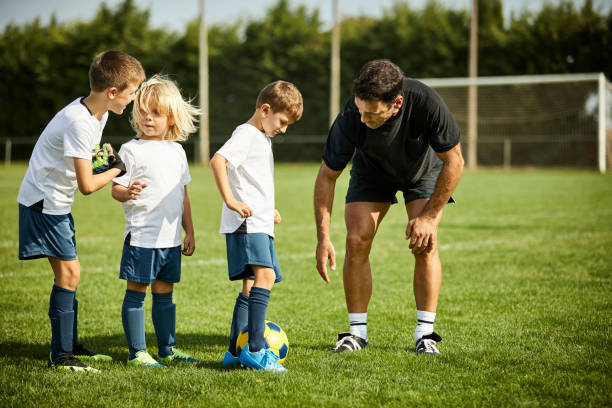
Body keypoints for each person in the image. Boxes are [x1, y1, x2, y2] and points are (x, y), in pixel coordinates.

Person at [314, 59, 464, 355]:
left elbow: (455, 161)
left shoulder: (426, 103)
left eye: (371, 113)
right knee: (356, 239)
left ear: (396, 103)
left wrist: (430, 217)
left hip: (421, 170)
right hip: (372, 171)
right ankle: (356, 334)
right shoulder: (351, 116)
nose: (362, 117)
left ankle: (426, 334)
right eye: (360, 109)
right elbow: (326, 176)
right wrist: (323, 237)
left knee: (426, 242)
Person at [17, 50, 145, 372]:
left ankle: (71, 348)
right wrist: (117, 170)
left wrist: (105, 160)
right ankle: (62, 357)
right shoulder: (78, 122)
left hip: (56, 202)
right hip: (43, 203)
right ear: (112, 92)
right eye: (131, 93)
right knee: (69, 274)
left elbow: (86, 162)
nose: (132, 100)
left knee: (70, 274)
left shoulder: (97, 114)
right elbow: (87, 185)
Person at [210, 80, 303, 372]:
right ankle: (256, 349)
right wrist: (230, 200)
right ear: (265, 109)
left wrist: (267, 209)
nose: (284, 129)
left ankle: (234, 352)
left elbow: (252, 180)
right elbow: (218, 160)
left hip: (257, 221)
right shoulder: (248, 133)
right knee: (265, 277)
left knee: (250, 285)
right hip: (248, 224)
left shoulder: (261, 137)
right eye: (282, 122)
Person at [111, 75, 201, 368]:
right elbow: (116, 189)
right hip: (142, 238)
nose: (148, 118)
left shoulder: (177, 151)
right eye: (143, 112)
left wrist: (189, 230)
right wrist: (128, 191)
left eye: (156, 113)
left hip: (171, 240)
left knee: (165, 294)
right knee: (137, 294)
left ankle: (167, 349)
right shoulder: (130, 150)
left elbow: (183, 195)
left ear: (172, 118)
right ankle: (137, 352)